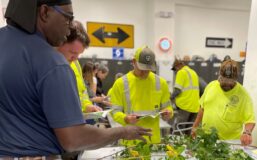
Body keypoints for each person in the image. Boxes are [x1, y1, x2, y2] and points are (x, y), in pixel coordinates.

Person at [0, 0, 150, 158]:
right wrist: (122, 131)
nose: (70, 26)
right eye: (68, 17)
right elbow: (73, 139)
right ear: (44, 12)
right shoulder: (51, 63)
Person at [110, 46, 173, 145]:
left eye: (148, 69)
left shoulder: (161, 83)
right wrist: (125, 118)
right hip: (130, 140)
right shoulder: (121, 83)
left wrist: (168, 113)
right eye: (142, 69)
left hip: (153, 139)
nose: (145, 72)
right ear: (134, 62)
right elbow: (114, 111)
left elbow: (167, 107)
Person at [191, 59, 255, 146]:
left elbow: (250, 119)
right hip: (206, 140)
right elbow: (202, 108)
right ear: (219, 75)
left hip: (230, 144)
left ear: (235, 79)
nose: (226, 84)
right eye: (223, 80)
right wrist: (195, 126)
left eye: (230, 82)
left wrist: (247, 132)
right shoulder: (211, 86)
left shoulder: (243, 95)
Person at [57, 20, 102, 113]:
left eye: (79, 54)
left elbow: (82, 92)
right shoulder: (47, 64)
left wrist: (87, 106)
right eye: (73, 52)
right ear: (59, 43)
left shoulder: (75, 63)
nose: (75, 58)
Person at [170, 58, 200, 132]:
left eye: (175, 69)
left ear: (178, 66)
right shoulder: (193, 72)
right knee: (189, 130)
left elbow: (177, 90)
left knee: (178, 130)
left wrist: (170, 97)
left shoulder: (181, 72)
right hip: (195, 106)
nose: (175, 71)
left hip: (185, 106)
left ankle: (177, 143)